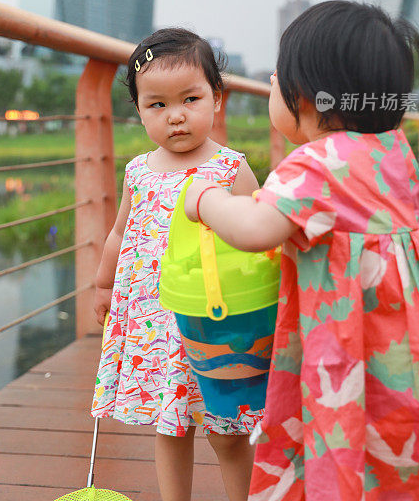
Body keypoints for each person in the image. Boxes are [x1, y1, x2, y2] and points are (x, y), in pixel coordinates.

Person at [184, 1, 419, 501]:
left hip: (350, 346)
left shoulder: (316, 164)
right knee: (404, 452)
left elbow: (254, 229)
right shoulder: (394, 151)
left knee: (345, 440)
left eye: (275, 79)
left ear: (306, 96)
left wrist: (204, 199)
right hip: (415, 346)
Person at [91, 27, 261, 501]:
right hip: (155, 320)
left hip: (215, 319)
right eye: (157, 105)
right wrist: (104, 285)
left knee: (227, 427)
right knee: (171, 425)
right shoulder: (139, 171)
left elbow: (257, 237)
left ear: (216, 99)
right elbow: (121, 232)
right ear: (140, 111)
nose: (177, 116)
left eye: (191, 98)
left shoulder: (231, 168)